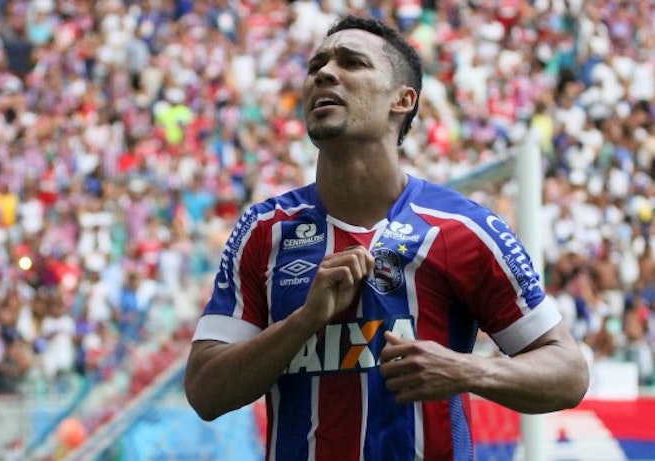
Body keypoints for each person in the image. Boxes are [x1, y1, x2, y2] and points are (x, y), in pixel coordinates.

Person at [184, 15, 589, 460]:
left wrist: (466, 370)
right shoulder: (265, 230)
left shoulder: (463, 229)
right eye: (317, 64)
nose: (324, 73)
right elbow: (205, 392)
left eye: (351, 62)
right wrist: (303, 321)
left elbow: (568, 373)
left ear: (403, 100)